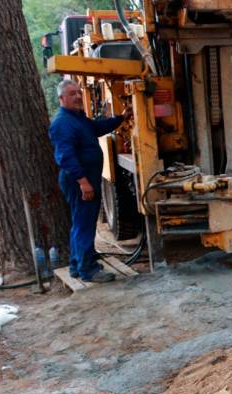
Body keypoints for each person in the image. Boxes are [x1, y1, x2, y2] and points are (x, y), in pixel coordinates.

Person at [49, 79, 131, 283]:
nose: (77, 96)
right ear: (61, 98)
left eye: (78, 92)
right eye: (72, 94)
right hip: (79, 181)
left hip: (85, 179)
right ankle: (88, 270)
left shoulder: (78, 118)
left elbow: (96, 128)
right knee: (84, 225)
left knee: (80, 223)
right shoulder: (62, 123)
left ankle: (78, 266)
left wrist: (121, 118)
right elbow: (65, 157)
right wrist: (83, 182)